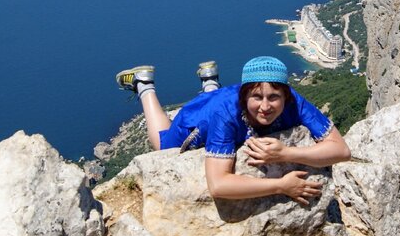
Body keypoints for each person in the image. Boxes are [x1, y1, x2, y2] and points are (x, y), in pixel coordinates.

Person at [115, 56, 350, 205]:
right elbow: (218, 185)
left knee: (218, 102)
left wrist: (286, 154)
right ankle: (144, 85)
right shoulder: (225, 113)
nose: (266, 107)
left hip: (220, 102)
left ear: (286, 95)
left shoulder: (295, 102)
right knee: (163, 145)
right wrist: (281, 186)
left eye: (274, 97)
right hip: (200, 119)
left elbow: (341, 150)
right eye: (257, 97)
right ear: (244, 95)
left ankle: (210, 82)